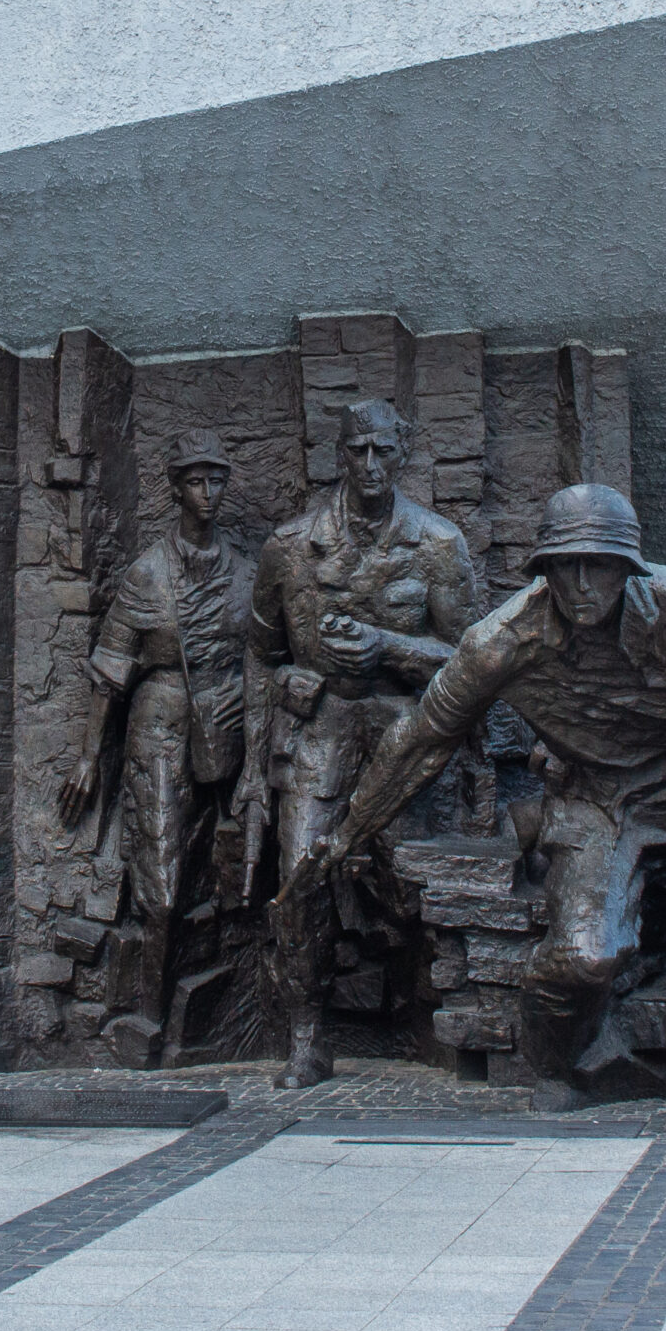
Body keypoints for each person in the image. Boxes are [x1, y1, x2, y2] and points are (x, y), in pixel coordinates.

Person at [320, 484, 666, 1108]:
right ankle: (562, 1066)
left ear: (629, 567)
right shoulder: (502, 639)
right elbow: (420, 740)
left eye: (601, 565)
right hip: (592, 802)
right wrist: (348, 833)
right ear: (546, 569)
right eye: (566, 565)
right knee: (583, 959)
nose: (583, 583)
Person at [237, 398, 477, 1088]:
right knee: (301, 876)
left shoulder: (436, 543)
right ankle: (307, 1035)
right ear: (338, 456)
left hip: (408, 733)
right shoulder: (289, 546)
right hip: (320, 733)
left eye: (383, 452)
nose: (370, 466)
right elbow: (259, 651)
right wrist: (281, 694)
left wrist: (389, 647)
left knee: (416, 883)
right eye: (357, 451)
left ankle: (441, 1020)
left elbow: (471, 657)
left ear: (403, 454)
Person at [60, 430, 253, 1059]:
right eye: (196, 481)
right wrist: (90, 756)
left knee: (226, 872)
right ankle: (147, 1013)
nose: (208, 493)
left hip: (225, 732)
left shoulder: (247, 574)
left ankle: (204, 1015)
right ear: (175, 489)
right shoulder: (148, 574)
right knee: (162, 881)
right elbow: (111, 668)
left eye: (217, 480)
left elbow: (264, 658)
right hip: (159, 726)